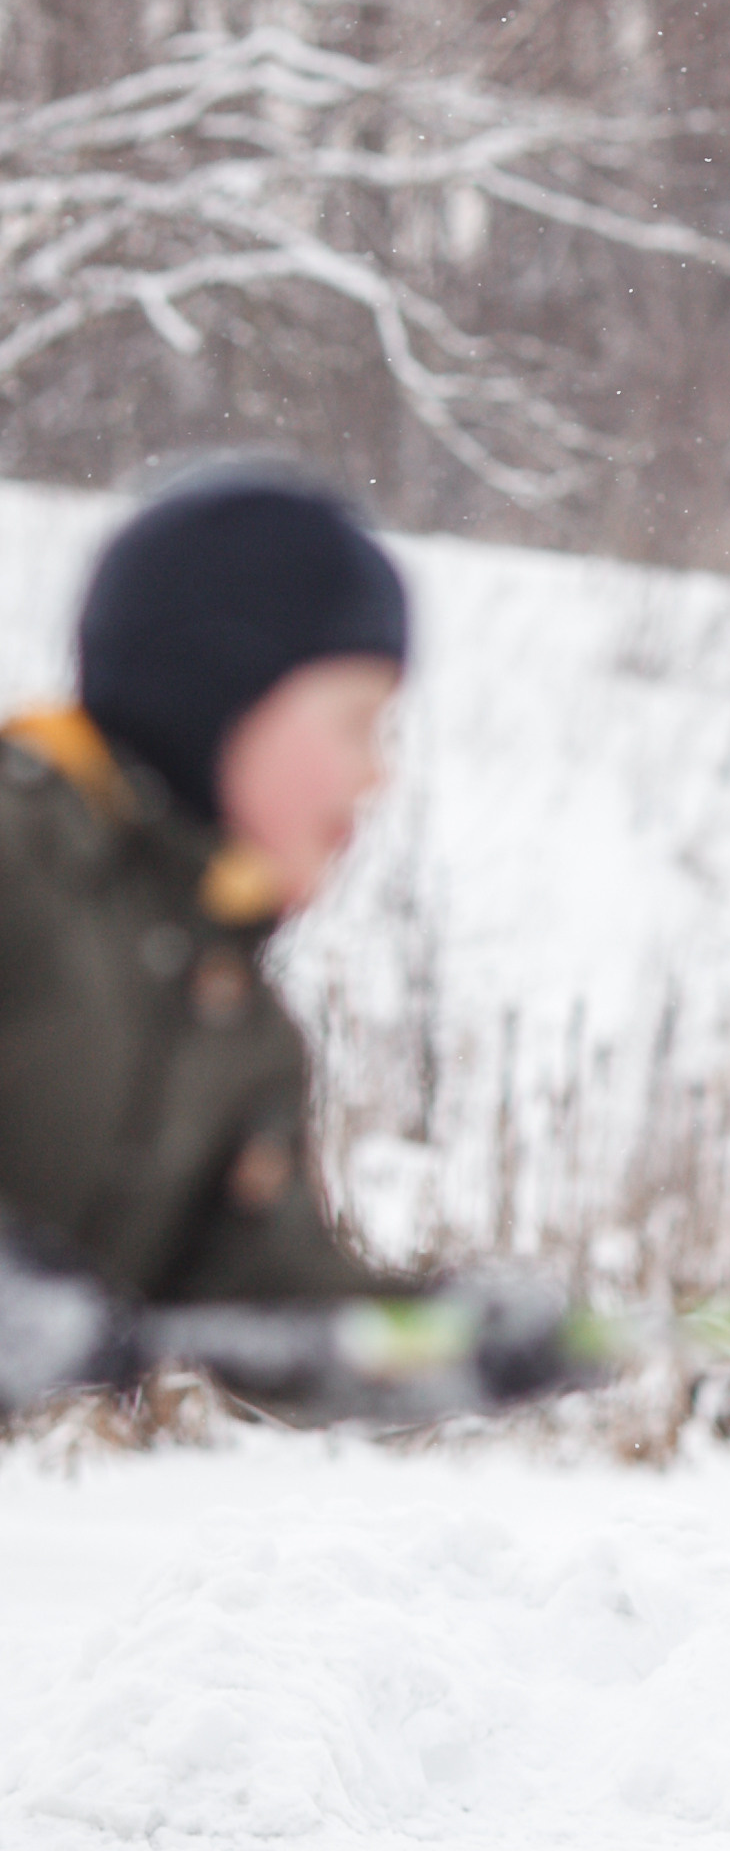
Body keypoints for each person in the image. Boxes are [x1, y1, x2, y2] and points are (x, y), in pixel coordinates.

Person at [0, 460, 580, 1421]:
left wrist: (453, 1341)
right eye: (356, 724)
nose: (376, 777)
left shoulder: (229, 1026)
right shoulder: (21, 859)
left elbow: (267, 1308)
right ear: (216, 697)